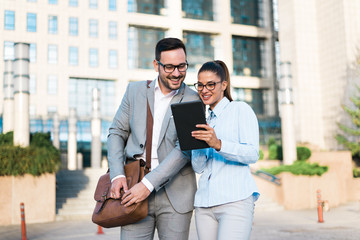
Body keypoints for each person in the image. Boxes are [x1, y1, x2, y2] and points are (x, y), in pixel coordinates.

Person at [107, 37, 199, 240]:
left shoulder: (193, 98)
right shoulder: (134, 91)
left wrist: (147, 185)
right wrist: (117, 175)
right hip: (133, 189)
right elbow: (116, 132)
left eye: (182, 66)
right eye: (169, 67)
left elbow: (184, 148)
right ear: (156, 65)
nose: (177, 73)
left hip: (176, 195)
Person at [191, 60, 260, 240]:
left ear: (224, 85)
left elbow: (252, 153)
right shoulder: (203, 120)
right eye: (200, 85)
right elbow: (198, 167)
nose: (204, 90)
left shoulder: (240, 109)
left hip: (234, 201)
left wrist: (218, 144)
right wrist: (196, 144)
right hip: (204, 204)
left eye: (210, 84)